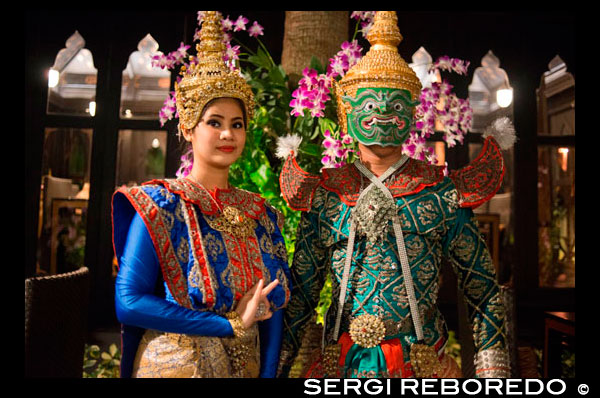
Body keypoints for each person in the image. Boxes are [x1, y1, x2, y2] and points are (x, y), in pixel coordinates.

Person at [276, 11, 511, 378]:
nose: (384, 112)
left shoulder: (439, 193)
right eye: (369, 105)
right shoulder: (326, 194)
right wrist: (274, 368)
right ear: (345, 111)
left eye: (397, 106)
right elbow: (302, 297)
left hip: (423, 363)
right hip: (342, 364)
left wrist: (493, 375)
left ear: (415, 115)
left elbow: (482, 290)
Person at [112, 11, 291, 378]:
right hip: (178, 364)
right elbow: (128, 302)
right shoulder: (161, 204)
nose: (228, 134)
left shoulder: (261, 214)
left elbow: (275, 309)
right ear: (189, 128)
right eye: (215, 123)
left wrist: (269, 374)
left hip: (246, 365)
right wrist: (227, 326)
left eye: (237, 125)